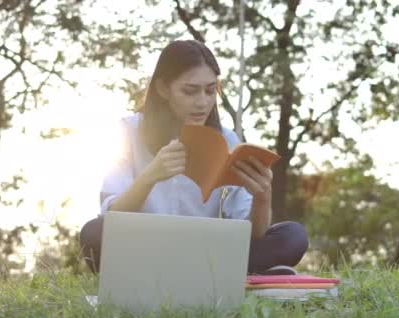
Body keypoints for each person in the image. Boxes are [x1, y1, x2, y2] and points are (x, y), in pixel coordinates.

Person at [79, 39, 308, 275]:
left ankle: (200, 274)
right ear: (163, 89)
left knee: (293, 236)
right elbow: (112, 218)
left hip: (208, 252)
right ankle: (233, 274)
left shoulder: (228, 141)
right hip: (148, 249)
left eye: (210, 90)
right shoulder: (127, 132)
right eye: (190, 91)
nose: (202, 102)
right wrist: (148, 177)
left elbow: (252, 233)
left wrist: (262, 198)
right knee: (93, 233)